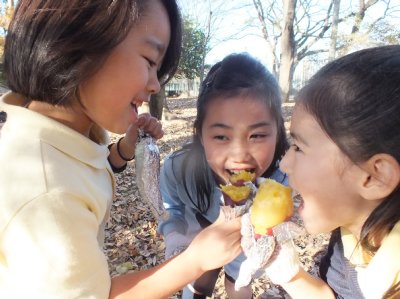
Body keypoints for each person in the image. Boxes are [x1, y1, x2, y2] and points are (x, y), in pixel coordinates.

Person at [0, 1, 242, 298]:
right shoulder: (46, 189)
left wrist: (127, 146)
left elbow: (92, 165)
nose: (155, 84)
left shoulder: (55, 127)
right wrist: (196, 260)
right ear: (81, 39)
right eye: (150, 61)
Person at [264, 45, 400, 299]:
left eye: (298, 147)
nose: (284, 164)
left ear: (374, 177)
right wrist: (290, 275)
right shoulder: (352, 235)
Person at [158, 53, 290, 299]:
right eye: (221, 137)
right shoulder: (179, 170)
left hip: (245, 241)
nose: (239, 155)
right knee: (197, 286)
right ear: (200, 134)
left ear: (278, 132)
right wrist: (176, 239)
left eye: (257, 135)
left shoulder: (281, 179)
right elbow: (171, 209)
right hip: (196, 234)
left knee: (238, 283)